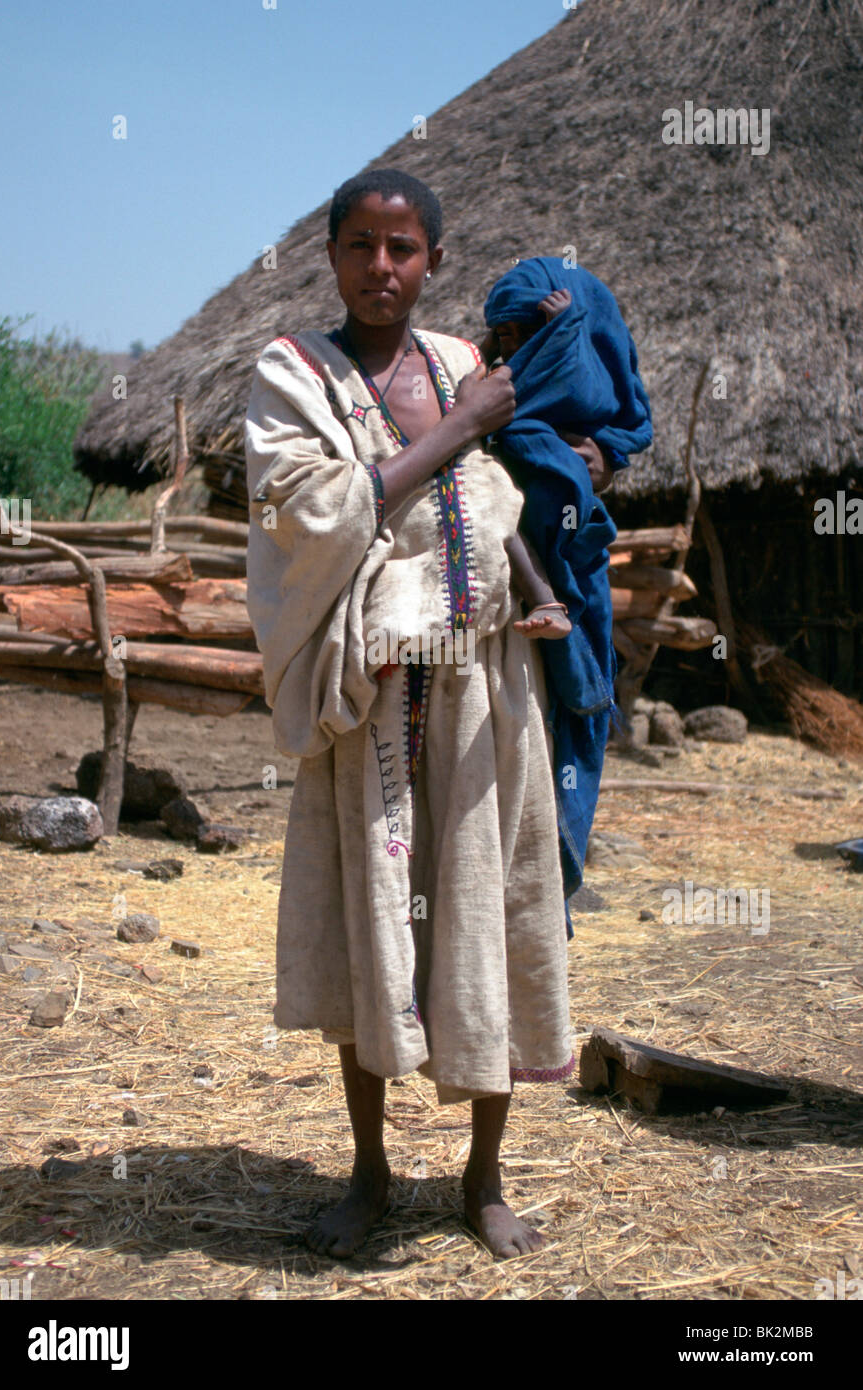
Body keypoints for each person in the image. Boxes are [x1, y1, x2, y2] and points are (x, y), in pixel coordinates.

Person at [245, 171, 574, 1260]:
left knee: (489, 910)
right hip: (370, 693)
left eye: (404, 249)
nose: (382, 268)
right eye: (360, 246)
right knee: (371, 922)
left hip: (481, 689)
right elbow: (320, 510)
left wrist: (536, 588)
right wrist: (465, 424)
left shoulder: (454, 365)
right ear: (331, 255)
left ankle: (483, 1177)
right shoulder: (291, 375)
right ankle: (372, 1173)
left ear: (434, 258)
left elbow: (491, 496)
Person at [479, 259, 653, 937]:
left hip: (561, 616)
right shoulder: (486, 397)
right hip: (490, 623)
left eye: (532, 332)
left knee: (555, 752)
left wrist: (603, 462)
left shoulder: (578, 425)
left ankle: (541, 909)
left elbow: (611, 421)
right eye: (509, 334)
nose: (512, 347)